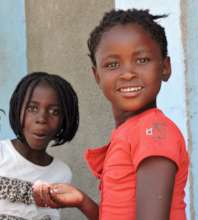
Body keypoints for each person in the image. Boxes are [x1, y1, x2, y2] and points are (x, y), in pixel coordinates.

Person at [33, 9, 189, 220]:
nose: (128, 73)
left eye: (142, 60)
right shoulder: (130, 133)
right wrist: (83, 201)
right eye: (112, 64)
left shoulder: (153, 132)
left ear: (165, 67)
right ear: (97, 75)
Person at [0, 72, 79, 219]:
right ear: (17, 110)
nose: (42, 119)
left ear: (65, 119)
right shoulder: (2, 153)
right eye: (32, 108)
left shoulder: (61, 173)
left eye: (54, 111)